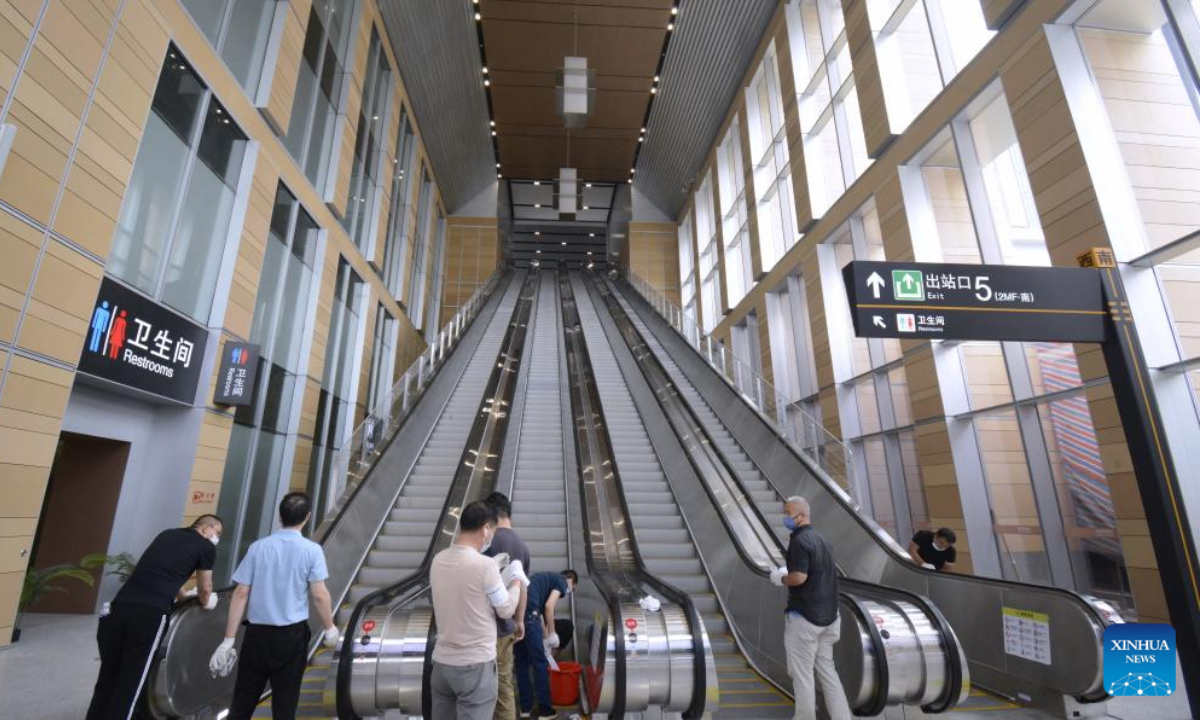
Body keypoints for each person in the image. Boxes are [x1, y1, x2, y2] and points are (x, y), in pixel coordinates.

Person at [210, 493, 338, 720]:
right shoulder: (312, 551)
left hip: (256, 636)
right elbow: (319, 594)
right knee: (284, 705)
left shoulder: (258, 548)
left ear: (280, 517)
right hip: (291, 637)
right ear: (307, 517)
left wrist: (228, 639)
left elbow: (241, 593)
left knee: (242, 702)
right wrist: (329, 627)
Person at [86, 514, 222, 720]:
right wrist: (206, 601)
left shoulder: (167, 535)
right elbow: (205, 588)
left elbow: (164, 572)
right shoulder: (206, 547)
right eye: (217, 532)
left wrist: (183, 596)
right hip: (149, 614)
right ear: (205, 528)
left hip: (119, 608)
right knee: (132, 681)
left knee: (108, 677)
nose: (216, 538)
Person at [430, 500, 529, 720]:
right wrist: (515, 581)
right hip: (474, 665)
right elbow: (505, 609)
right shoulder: (485, 566)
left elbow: (463, 594)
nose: (490, 536)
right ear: (485, 528)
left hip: (442, 665)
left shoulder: (438, 560)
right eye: (491, 531)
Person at [770, 497, 850, 720]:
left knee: (802, 675)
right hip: (830, 618)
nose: (785, 517)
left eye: (789, 513)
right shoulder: (823, 540)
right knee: (827, 671)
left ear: (802, 516)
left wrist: (781, 579)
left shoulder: (799, 541)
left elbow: (799, 577)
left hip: (805, 618)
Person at [482, 492, 530, 720]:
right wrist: (519, 621)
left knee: (480, 687)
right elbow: (522, 587)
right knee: (504, 686)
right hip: (507, 627)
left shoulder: (488, 541)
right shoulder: (522, 546)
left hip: (486, 627)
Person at [515, 569, 578, 718]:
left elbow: (542, 614)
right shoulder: (562, 581)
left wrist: (544, 640)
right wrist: (552, 634)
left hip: (518, 614)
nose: (569, 591)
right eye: (572, 589)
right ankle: (545, 711)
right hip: (530, 614)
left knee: (521, 663)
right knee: (540, 664)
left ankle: (525, 709)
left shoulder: (544, 580)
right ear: (571, 581)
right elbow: (549, 607)